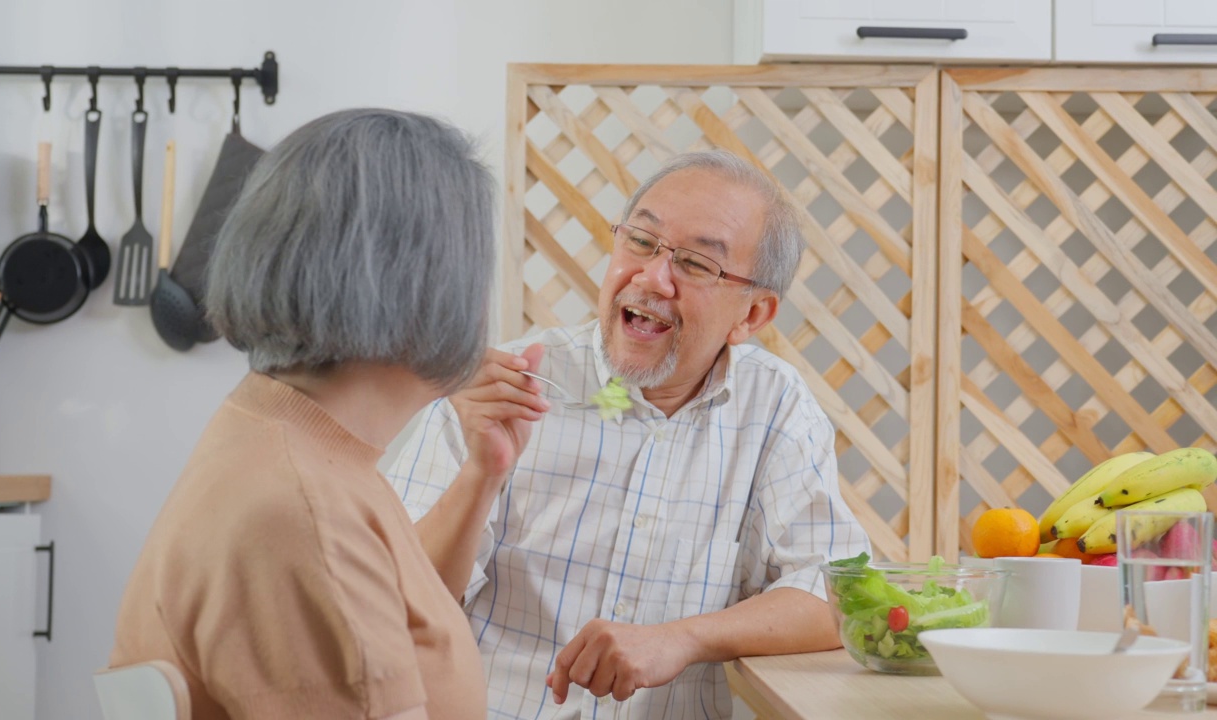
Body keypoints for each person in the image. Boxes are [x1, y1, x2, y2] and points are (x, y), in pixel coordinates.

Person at [389, 149, 871, 719]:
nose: (652, 278)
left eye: (695, 263)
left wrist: (681, 639)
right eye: (641, 241)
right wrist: (480, 473)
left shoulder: (776, 407)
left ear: (752, 315)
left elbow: (837, 593)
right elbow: (396, 606)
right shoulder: (499, 387)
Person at [109, 108, 497, 720]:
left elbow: (395, 608)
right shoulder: (303, 508)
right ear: (423, 285)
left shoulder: (292, 440)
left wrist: (484, 471)